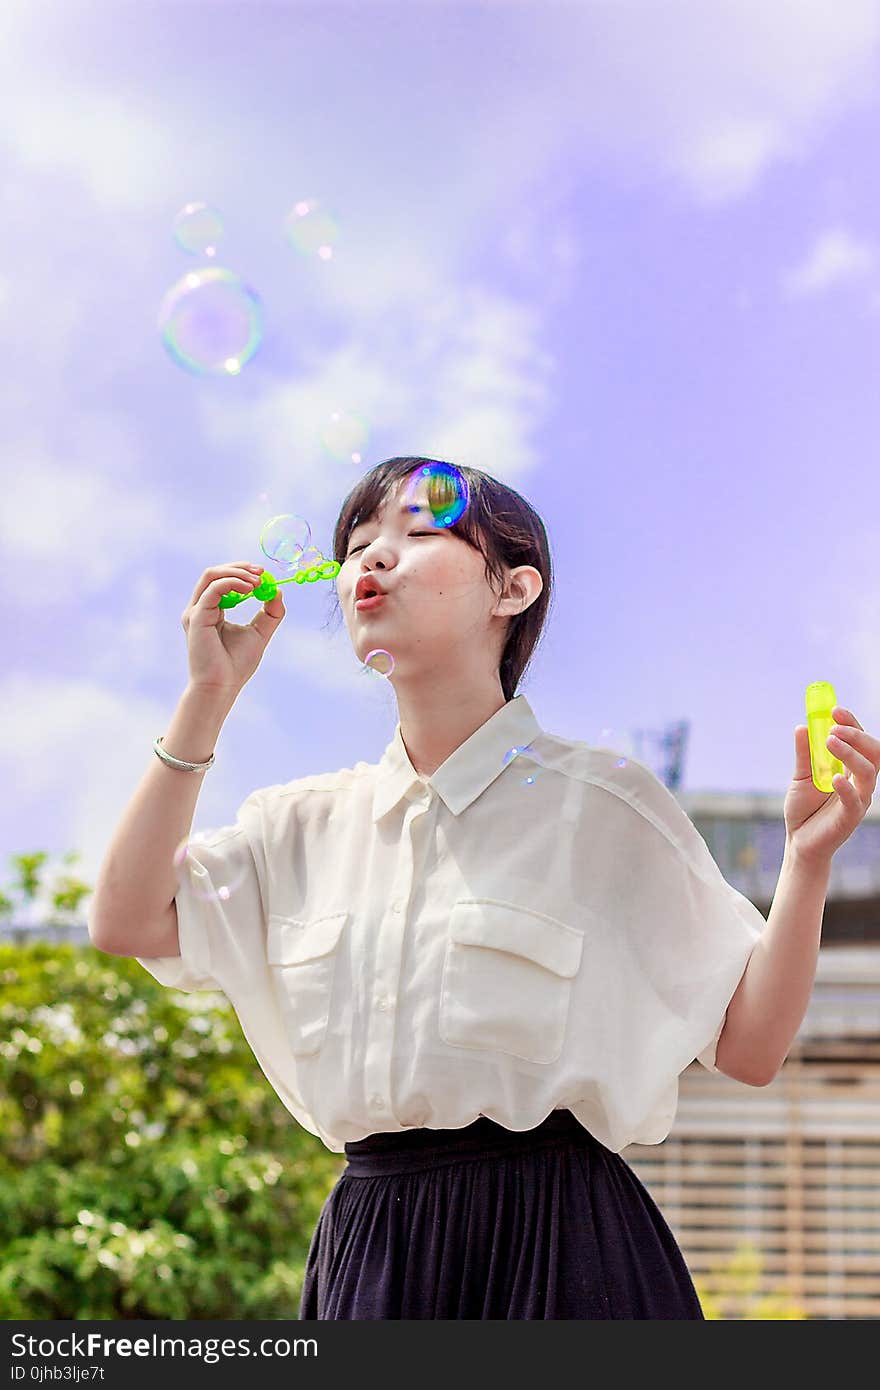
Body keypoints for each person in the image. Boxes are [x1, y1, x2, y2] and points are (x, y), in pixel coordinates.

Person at [88, 455, 879, 1320]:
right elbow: (127, 921)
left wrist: (805, 863)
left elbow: (752, 1047)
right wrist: (209, 695)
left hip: (563, 1245)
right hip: (374, 1251)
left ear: (513, 589)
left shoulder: (604, 807)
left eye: (420, 534)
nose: (373, 559)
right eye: (357, 545)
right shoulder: (298, 826)